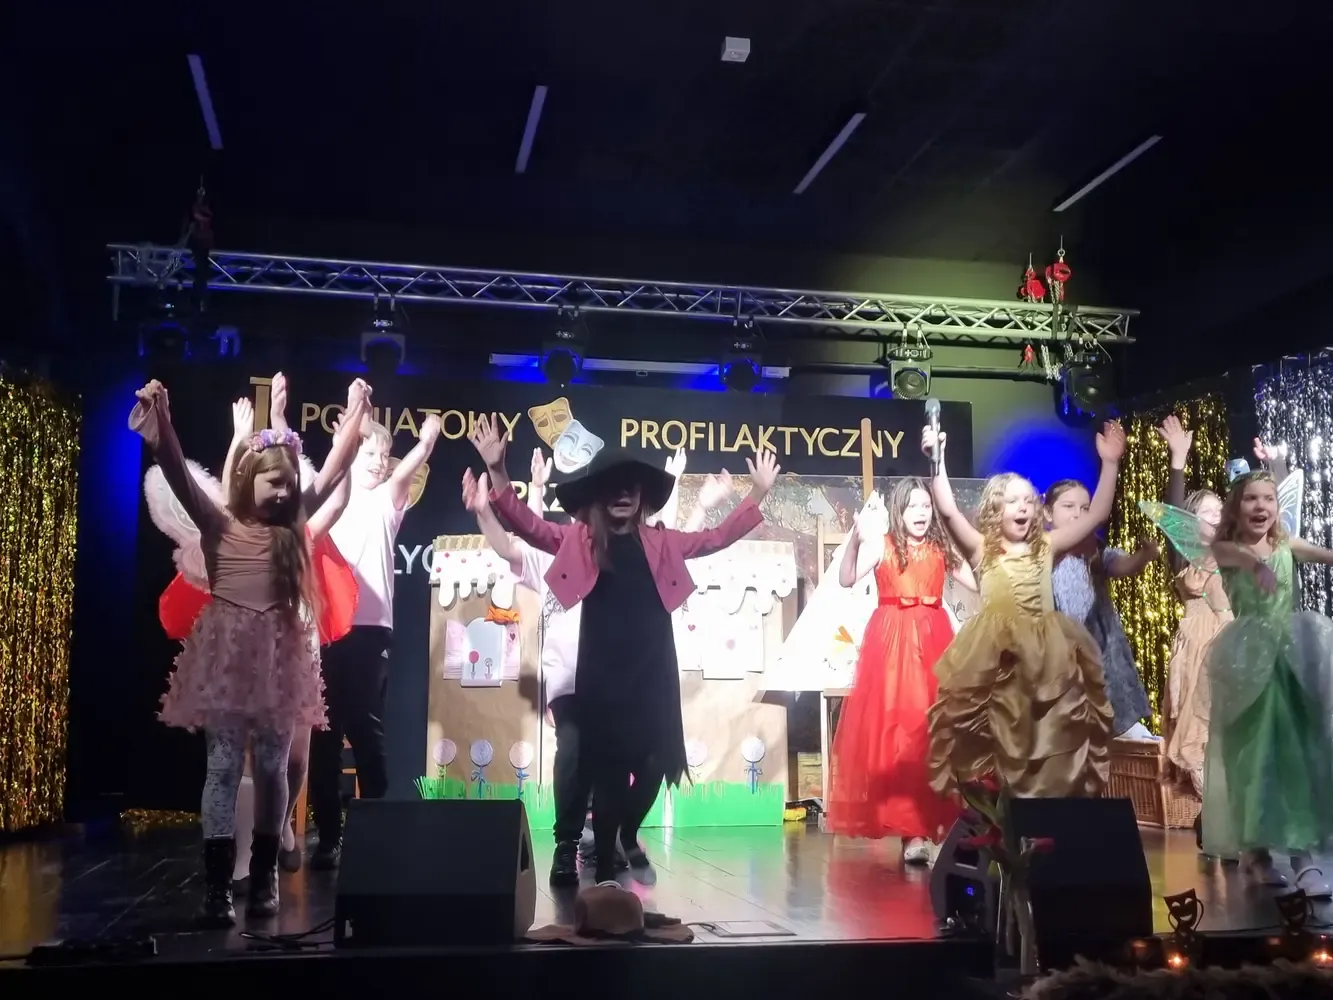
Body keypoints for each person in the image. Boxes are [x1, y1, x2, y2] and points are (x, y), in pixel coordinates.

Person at [468, 415, 779, 884]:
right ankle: (599, 863)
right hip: (601, 673)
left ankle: (627, 833)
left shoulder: (660, 541)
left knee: (658, 762)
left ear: (641, 496)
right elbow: (528, 526)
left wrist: (757, 493)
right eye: (612, 487)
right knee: (607, 769)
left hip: (651, 670)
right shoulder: (579, 538)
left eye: (630, 487)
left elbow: (714, 538)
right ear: (598, 495)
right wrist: (496, 470)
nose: (622, 494)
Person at [128, 377, 367, 925]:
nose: (284, 492)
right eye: (273, 482)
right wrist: (162, 422)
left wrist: (356, 415)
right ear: (247, 480)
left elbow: (332, 473)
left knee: (274, 767)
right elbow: (176, 471)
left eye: (289, 484)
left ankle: (264, 876)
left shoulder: (293, 528)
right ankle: (218, 885)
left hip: (278, 658)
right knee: (222, 767)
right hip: (229, 658)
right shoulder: (217, 524)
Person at [1147, 470, 1333, 894]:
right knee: (1254, 757)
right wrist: (1254, 565)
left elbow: (1325, 555)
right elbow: (1233, 556)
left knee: (1295, 755)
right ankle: (1256, 854)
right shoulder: (1224, 548)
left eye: (1269, 498)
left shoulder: (1286, 545)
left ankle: (1302, 857)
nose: (1261, 506)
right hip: (1249, 660)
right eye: (1252, 498)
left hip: (1288, 658)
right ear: (1236, 506)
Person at [923, 420, 1123, 798]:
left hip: (1045, 658)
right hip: (998, 659)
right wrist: (937, 461)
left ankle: (1046, 810)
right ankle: (1004, 812)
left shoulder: (1047, 546)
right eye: (1013, 501)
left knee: (1047, 734)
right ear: (994, 508)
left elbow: (1096, 514)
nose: (1023, 507)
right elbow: (947, 510)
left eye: (1028, 501)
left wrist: (1110, 463)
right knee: (999, 734)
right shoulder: (981, 549)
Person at [308, 405, 442, 869]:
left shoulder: (388, 498)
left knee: (367, 729)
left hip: (370, 629)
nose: (378, 462)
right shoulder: (330, 496)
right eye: (368, 453)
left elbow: (405, 472)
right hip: (328, 627)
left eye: (383, 455)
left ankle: (377, 832)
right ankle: (329, 837)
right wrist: (351, 431)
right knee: (324, 734)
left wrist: (426, 443)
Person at [826, 478, 975, 865]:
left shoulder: (941, 547)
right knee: (902, 735)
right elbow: (845, 578)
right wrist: (855, 539)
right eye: (913, 507)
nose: (921, 513)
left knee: (933, 734)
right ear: (899, 511)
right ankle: (912, 832)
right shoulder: (883, 545)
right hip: (892, 647)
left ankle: (937, 825)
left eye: (926, 506)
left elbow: (979, 581)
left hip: (934, 642)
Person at [1045, 479, 1158, 738]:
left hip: (1101, 652)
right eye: (1068, 506)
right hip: (1060, 657)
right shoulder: (1043, 552)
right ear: (1047, 513)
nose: (1077, 514)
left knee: (1117, 727)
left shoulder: (1094, 549)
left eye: (1085, 508)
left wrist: (1143, 555)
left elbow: (1122, 565)